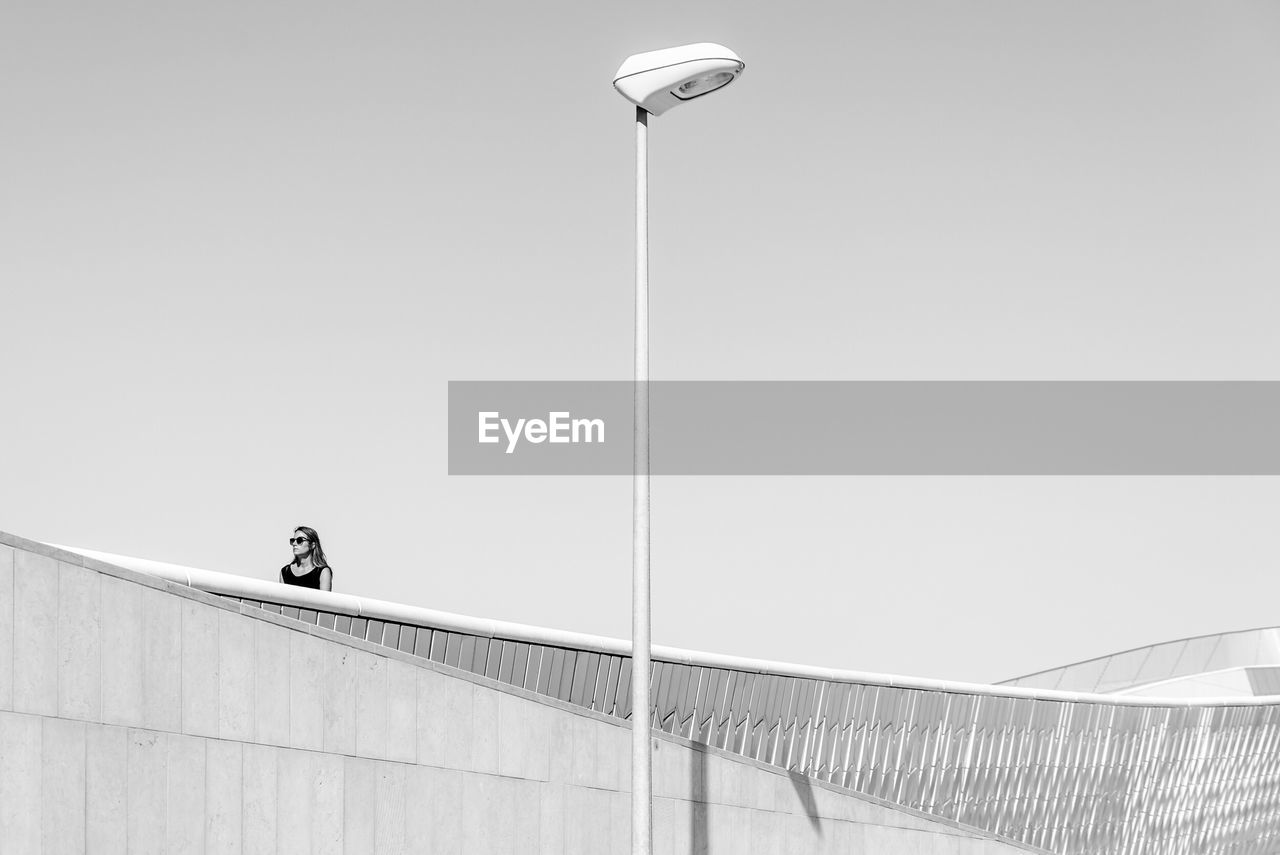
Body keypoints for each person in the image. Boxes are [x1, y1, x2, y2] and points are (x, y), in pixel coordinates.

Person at [280, 525, 333, 591]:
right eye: (292, 540)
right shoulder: (285, 572)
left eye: (300, 540)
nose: (294, 543)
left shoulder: (323, 572)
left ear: (312, 545)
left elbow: (325, 600)